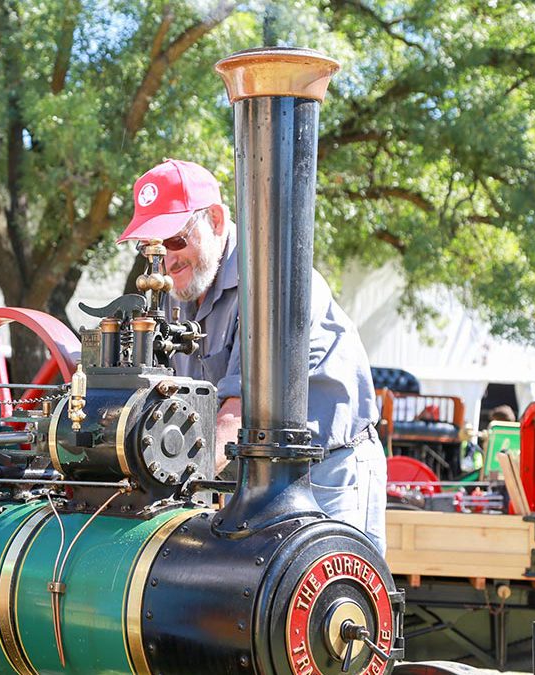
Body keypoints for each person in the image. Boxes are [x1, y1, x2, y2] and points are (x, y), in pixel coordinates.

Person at [118, 159, 387, 553]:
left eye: (175, 241)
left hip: (326, 471)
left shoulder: (273, 280)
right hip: (251, 474)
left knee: (329, 599)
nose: (165, 262)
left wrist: (164, 486)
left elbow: (241, 411)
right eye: (151, 249)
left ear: (214, 218)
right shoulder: (181, 292)